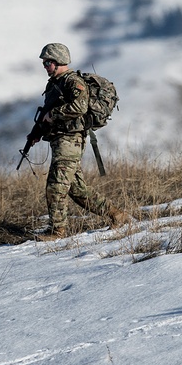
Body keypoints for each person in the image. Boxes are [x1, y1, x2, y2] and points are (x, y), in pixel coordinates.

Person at [30, 43, 130, 237]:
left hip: (71, 140)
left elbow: (80, 107)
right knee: (77, 190)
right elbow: (47, 113)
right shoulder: (54, 84)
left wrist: (54, 114)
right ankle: (117, 215)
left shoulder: (72, 81)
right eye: (44, 63)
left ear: (58, 61)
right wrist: (37, 132)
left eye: (47, 62)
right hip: (60, 140)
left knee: (56, 184)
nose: (45, 66)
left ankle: (57, 231)